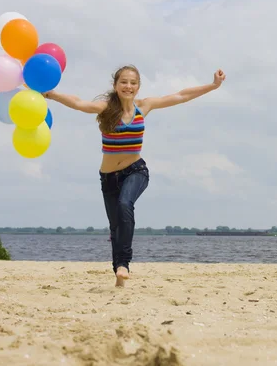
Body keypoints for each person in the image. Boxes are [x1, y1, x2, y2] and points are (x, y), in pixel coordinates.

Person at [43, 65, 226, 287]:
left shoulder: (144, 106)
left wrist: (213, 86)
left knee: (124, 205)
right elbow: (79, 103)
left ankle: (124, 265)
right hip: (109, 177)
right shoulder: (105, 108)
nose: (128, 86)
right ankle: (119, 274)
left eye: (133, 82)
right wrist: (50, 93)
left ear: (138, 86)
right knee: (115, 226)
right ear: (115, 85)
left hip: (136, 171)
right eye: (123, 82)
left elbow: (180, 95)